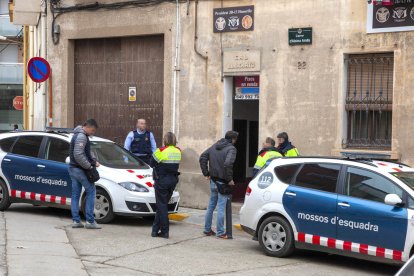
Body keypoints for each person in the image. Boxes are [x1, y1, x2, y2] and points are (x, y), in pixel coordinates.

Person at [199, 131, 238, 239]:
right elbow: (227, 164)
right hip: (223, 182)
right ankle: (220, 232)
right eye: (235, 140)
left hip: (213, 181)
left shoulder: (214, 146)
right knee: (221, 207)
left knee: (211, 206)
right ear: (233, 139)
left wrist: (206, 173)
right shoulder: (231, 149)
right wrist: (230, 179)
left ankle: (207, 230)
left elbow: (202, 157)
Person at [68, 119, 102, 229]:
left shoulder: (77, 134)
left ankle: (76, 221)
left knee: (75, 194)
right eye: (92, 130)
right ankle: (90, 221)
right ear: (86, 126)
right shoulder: (82, 136)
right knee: (91, 191)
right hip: (80, 169)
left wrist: (93, 160)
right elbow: (78, 155)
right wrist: (89, 166)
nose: (92, 133)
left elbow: (84, 152)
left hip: (73, 169)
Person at [151, 132, 181, 239]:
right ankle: (154, 231)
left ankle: (164, 231)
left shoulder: (161, 150)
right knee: (161, 205)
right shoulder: (178, 151)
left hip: (162, 180)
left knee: (162, 206)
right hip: (173, 180)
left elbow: (152, 163)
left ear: (165, 140)